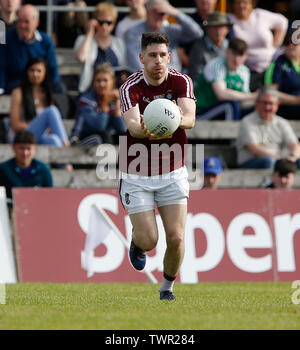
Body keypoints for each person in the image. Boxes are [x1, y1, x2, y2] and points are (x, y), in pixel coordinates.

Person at [119, 32, 196, 301]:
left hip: (173, 170)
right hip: (136, 173)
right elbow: (133, 127)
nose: (158, 61)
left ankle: (166, 289)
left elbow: (189, 119)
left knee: (176, 238)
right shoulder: (130, 87)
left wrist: (171, 118)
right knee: (150, 240)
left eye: (163, 55)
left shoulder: (181, 81)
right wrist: (147, 127)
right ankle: (137, 242)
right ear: (141, 58)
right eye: (152, 55)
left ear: (169, 57)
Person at [0, 4, 65, 95]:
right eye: (19, 21)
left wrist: (53, 85)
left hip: (41, 83)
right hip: (16, 83)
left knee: (59, 89)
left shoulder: (46, 41)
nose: (22, 25)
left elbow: (52, 68)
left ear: (36, 22)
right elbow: (1, 66)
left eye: (27, 22)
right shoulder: (6, 39)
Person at [9, 57, 71, 151]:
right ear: (26, 72)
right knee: (51, 110)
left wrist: (44, 127)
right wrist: (39, 124)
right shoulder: (18, 92)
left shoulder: (47, 93)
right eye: (32, 70)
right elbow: (15, 125)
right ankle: (67, 147)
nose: (35, 74)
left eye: (39, 71)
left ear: (45, 73)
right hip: (22, 136)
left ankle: (66, 165)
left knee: (54, 140)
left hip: (40, 137)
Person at [124, 0, 203, 73]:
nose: (158, 16)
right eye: (155, 11)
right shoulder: (133, 32)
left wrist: (176, 13)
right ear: (147, 12)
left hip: (172, 78)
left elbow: (197, 33)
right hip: (146, 79)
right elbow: (136, 62)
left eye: (162, 13)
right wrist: (156, 77)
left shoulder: (170, 31)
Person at [228, 0, 288, 91]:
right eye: (237, 2)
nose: (241, 5)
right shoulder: (229, 19)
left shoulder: (260, 15)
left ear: (251, 4)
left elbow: (283, 21)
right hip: (246, 71)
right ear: (232, 5)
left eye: (245, 2)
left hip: (271, 67)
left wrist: (277, 43)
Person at [236, 86, 300, 169]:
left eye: (271, 103)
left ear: (277, 105)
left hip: (278, 163)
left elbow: (294, 145)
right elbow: (254, 149)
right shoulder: (247, 121)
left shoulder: (282, 122)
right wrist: (279, 160)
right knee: (269, 162)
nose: (267, 107)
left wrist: (293, 157)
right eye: (264, 103)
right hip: (251, 163)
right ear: (256, 103)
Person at [194, 37, 257, 121]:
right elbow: (221, 94)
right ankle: (232, 134)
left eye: (240, 55)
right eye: (234, 54)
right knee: (231, 105)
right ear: (227, 52)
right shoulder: (217, 65)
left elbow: (244, 100)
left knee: (259, 106)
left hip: (223, 113)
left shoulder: (244, 71)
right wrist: (253, 96)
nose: (236, 59)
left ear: (245, 56)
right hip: (201, 112)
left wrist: (260, 100)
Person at [74, 2, 127, 93]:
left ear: (114, 24)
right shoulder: (83, 39)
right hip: (90, 91)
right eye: (101, 22)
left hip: (114, 92)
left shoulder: (119, 43)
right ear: (94, 22)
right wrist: (90, 33)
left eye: (108, 23)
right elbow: (81, 57)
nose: (104, 26)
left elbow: (122, 69)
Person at [70, 62, 126, 146]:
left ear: (113, 82)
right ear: (93, 82)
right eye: (98, 81)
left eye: (105, 80)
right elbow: (99, 126)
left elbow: (122, 129)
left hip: (105, 139)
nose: (101, 84)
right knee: (102, 137)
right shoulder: (85, 100)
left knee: (124, 138)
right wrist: (105, 104)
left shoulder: (114, 99)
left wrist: (117, 105)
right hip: (84, 140)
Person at [0, 130, 53, 206]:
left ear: (34, 149)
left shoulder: (44, 169)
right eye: (21, 148)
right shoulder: (3, 169)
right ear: (14, 147)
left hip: (37, 211)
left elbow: (49, 197)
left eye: (28, 148)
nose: (25, 153)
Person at [264, 29, 300, 120]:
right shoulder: (276, 65)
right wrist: (296, 100)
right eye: (287, 43)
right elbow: (269, 93)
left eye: (295, 42)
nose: (290, 45)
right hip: (284, 110)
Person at [188, 11, 232, 84]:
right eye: (214, 27)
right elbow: (196, 78)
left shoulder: (230, 46)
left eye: (221, 27)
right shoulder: (198, 48)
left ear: (227, 30)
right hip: (205, 89)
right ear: (207, 29)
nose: (218, 31)